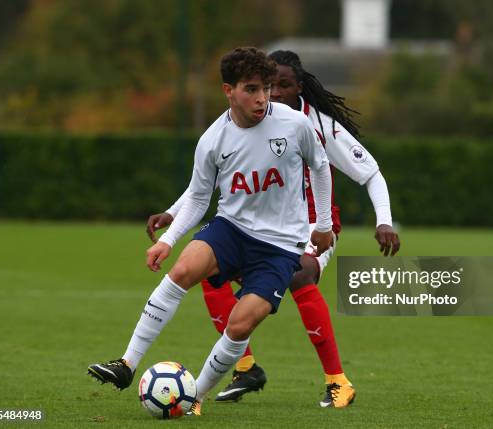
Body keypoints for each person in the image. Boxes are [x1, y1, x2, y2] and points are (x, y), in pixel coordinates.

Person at [87, 47, 334, 416]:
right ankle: (126, 364)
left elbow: (321, 166)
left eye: (266, 88)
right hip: (232, 229)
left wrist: (324, 226)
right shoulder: (212, 141)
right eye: (251, 89)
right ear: (228, 90)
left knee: (240, 324)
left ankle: (193, 397)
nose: (262, 98)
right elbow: (199, 199)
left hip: (281, 246)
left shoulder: (294, 124)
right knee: (183, 271)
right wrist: (169, 241)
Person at [146, 50, 400, 408]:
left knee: (298, 275)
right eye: (268, 85)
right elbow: (207, 182)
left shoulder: (317, 126)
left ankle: (337, 380)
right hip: (258, 229)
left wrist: (384, 220)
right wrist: (173, 214)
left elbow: (370, 172)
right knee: (207, 271)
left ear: (300, 87)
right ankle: (245, 366)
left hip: (313, 227)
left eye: (282, 85)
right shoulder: (249, 121)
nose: (274, 93)